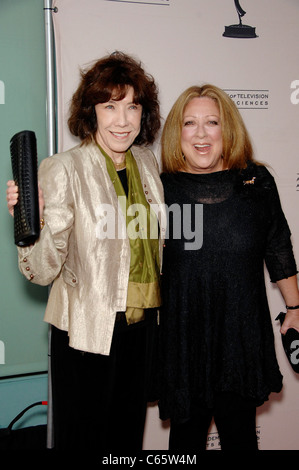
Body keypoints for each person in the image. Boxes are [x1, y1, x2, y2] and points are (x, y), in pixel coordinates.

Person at [6, 51, 164, 450]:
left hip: (141, 324)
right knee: (83, 439)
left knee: (127, 439)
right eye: (110, 106)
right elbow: (41, 272)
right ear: (91, 112)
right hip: (86, 328)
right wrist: (32, 220)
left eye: (132, 107)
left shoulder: (147, 162)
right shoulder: (64, 168)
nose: (123, 120)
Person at [158, 84, 299, 451]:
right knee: (183, 447)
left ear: (228, 130)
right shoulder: (159, 190)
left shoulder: (256, 183)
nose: (201, 134)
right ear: (178, 132)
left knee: (240, 441)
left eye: (212, 122)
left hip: (239, 338)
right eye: (190, 123)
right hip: (184, 342)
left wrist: (295, 309)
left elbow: (278, 246)